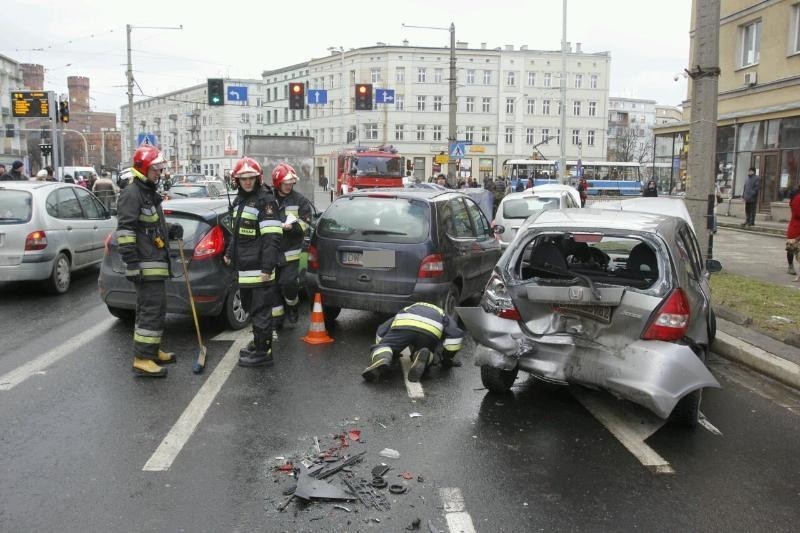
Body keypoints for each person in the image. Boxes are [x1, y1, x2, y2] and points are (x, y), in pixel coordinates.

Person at [114, 145, 183, 377]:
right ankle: (142, 359)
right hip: (144, 265)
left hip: (154, 263)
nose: (160, 173)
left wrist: (170, 230)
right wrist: (132, 264)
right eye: (156, 168)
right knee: (150, 311)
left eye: (160, 168)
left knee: (156, 308)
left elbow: (150, 227)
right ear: (143, 168)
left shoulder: (146, 193)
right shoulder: (132, 194)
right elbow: (125, 231)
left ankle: (151, 350)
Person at [224, 157, 283, 366]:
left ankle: (264, 353)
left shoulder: (265, 201)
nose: (247, 182)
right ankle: (258, 343)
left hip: (260, 270)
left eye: (251, 178)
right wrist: (230, 253)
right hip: (245, 269)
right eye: (243, 179)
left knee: (261, 312)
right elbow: (237, 234)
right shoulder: (241, 201)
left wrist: (267, 267)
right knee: (252, 309)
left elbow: (271, 239)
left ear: (258, 179)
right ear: (236, 181)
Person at [361, 302, 464, 383]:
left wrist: (390, 351)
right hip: (430, 331)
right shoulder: (442, 313)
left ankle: (383, 358)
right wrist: (446, 358)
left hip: (405, 325)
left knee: (384, 347)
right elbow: (456, 335)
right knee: (428, 351)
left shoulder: (407, 309)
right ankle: (425, 355)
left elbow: (382, 330)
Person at [271, 163, 313, 330]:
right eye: (285, 184)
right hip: (272, 251)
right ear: (277, 183)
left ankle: (292, 306)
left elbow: (306, 224)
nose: (288, 186)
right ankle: (277, 319)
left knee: (288, 283)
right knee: (273, 288)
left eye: (291, 184)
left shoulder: (300, 201)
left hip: (291, 251)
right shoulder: (268, 200)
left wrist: (293, 227)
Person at [785, 187, 800, 277]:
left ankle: (791, 266)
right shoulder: (798, 198)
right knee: (791, 248)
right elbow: (797, 213)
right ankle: (790, 266)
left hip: (795, 226)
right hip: (796, 227)